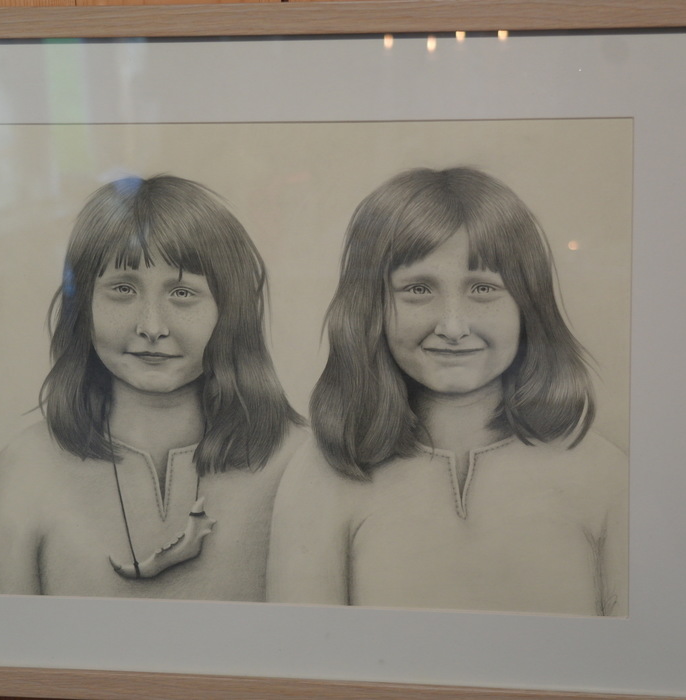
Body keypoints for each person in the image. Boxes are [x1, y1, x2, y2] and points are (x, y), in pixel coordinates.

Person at [267, 167, 627, 615]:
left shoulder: (605, 475)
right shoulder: (321, 474)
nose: (453, 326)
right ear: (370, 308)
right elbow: (302, 649)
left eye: (483, 289)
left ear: (529, 304)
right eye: (418, 289)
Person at [0, 175, 305, 599]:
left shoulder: (299, 463)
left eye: (182, 293)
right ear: (83, 305)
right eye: (123, 289)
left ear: (229, 309)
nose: (151, 327)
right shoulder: (24, 468)